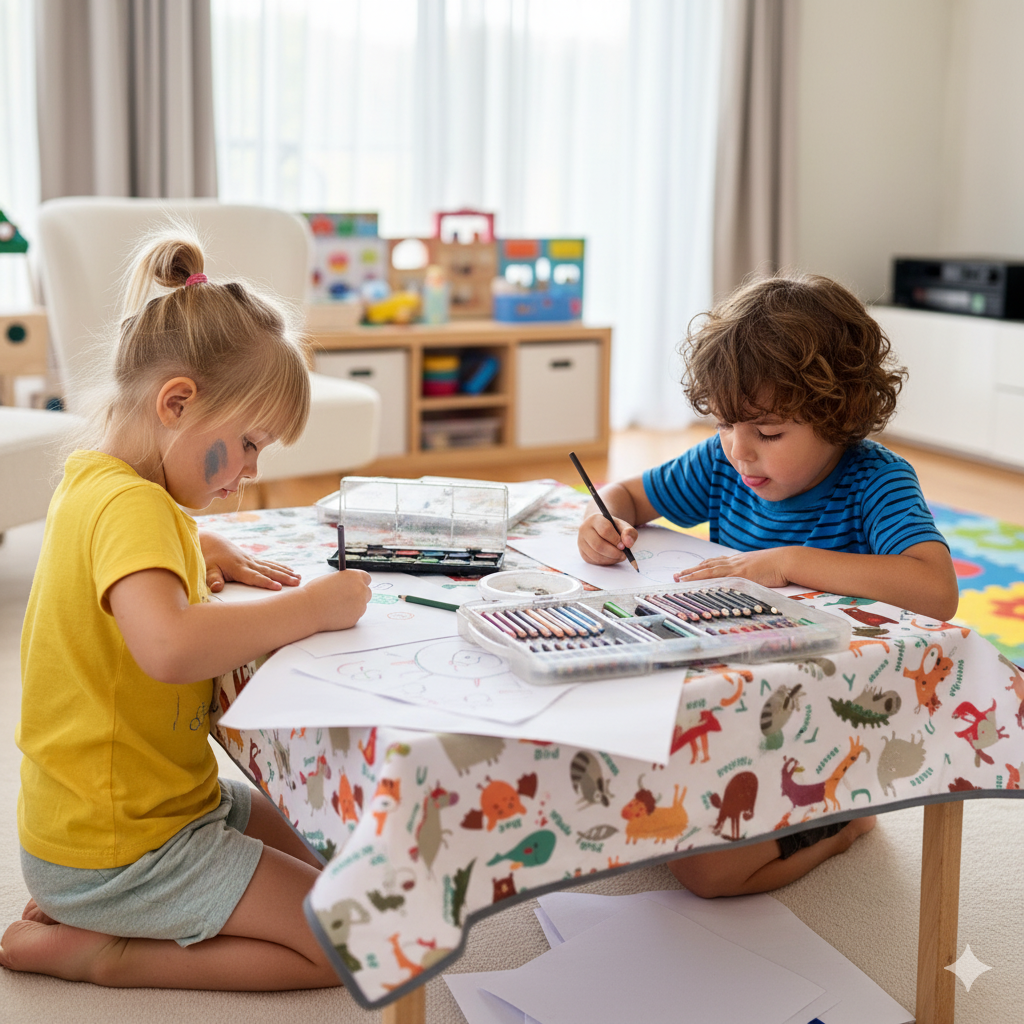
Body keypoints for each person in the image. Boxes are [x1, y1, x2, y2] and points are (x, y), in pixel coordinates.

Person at [0, 231, 372, 990]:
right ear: (177, 403)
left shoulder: (99, 481)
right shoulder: (135, 511)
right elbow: (168, 645)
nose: (249, 473)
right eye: (248, 445)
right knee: (351, 943)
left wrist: (201, 546)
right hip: (121, 848)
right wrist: (312, 607)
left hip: (127, 815)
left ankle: (103, 913)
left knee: (342, 859)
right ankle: (104, 953)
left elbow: (115, 559)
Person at [577, 272, 959, 898]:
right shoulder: (725, 459)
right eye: (727, 425)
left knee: (707, 872)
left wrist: (785, 562)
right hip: (735, 697)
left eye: (769, 433)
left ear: (840, 416)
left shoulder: (876, 481)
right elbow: (626, 496)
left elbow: (935, 589)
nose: (739, 451)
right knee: (622, 794)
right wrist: (603, 521)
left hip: (825, 714)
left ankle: (847, 823)